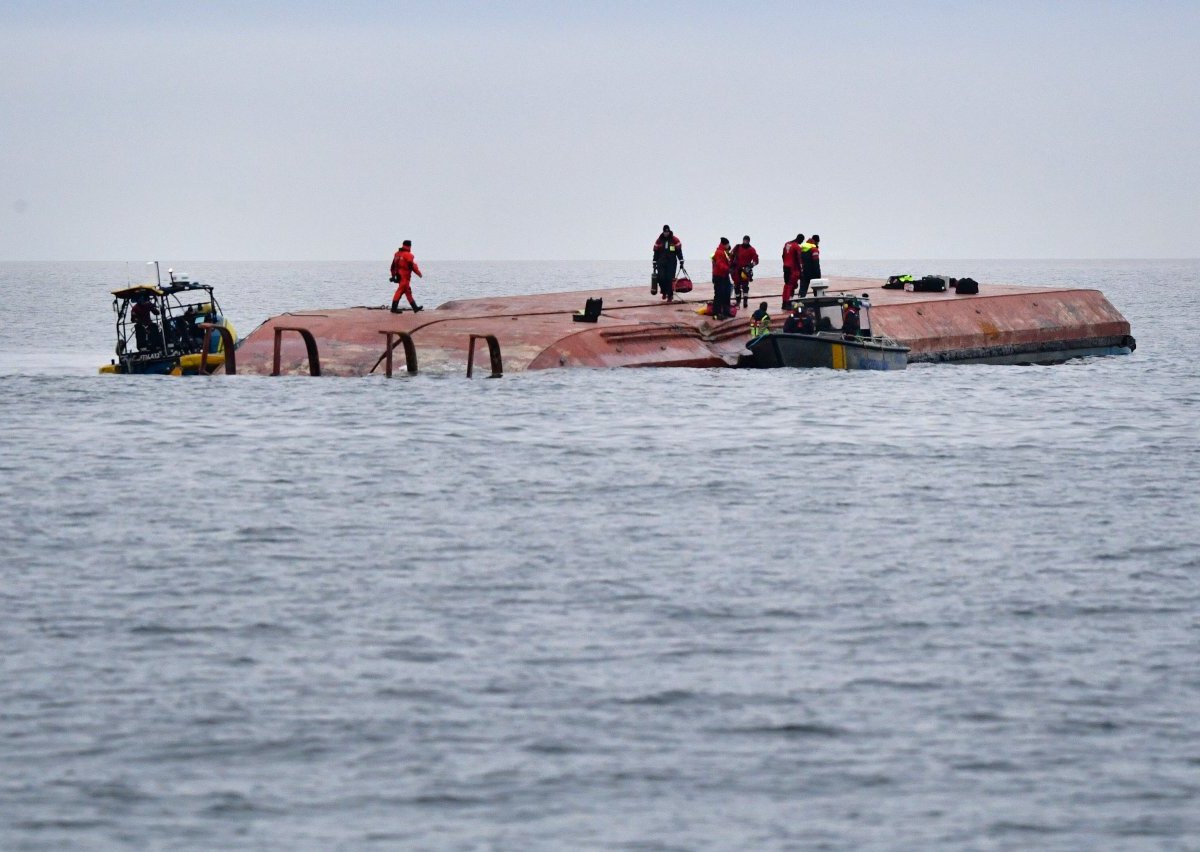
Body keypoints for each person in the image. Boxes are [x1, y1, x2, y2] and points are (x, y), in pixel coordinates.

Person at [389, 240, 424, 313]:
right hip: (404, 277)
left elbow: (392, 266)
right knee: (400, 291)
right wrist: (419, 274)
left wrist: (393, 276)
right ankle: (394, 308)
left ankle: (415, 308)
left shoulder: (397, 254)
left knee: (407, 291)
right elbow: (412, 266)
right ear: (410, 246)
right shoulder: (408, 255)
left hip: (399, 276)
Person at [652, 225, 684, 303]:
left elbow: (679, 251)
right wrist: (654, 261)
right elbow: (656, 252)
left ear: (669, 231)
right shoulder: (659, 240)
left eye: (667, 232)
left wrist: (681, 260)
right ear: (663, 232)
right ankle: (663, 291)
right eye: (665, 232)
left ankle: (670, 295)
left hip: (671, 263)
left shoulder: (675, 240)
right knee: (661, 277)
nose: (666, 233)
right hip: (661, 262)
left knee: (670, 279)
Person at [730, 235, 759, 309]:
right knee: (736, 286)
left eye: (747, 240)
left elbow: (756, 260)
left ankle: (745, 301)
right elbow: (731, 256)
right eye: (744, 240)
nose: (745, 242)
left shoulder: (752, 250)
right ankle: (738, 301)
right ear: (742, 240)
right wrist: (731, 266)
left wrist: (750, 266)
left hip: (745, 271)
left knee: (745, 287)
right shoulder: (737, 247)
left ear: (749, 241)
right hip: (737, 270)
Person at [711, 237, 733, 320]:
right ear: (725, 244)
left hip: (725, 275)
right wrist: (728, 269)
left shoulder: (724, 252)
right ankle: (716, 313)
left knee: (726, 294)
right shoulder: (719, 252)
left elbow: (726, 262)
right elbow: (720, 264)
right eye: (728, 244)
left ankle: (726, 312)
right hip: (719, 276)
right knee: (719, 295)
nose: (729, 246)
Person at [781, 233, 804, 309]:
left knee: (786, 285)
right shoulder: (797, 247)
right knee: (791, 286)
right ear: (800, 239)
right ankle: (788, 303)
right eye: (802, 241)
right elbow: (799, 260)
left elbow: (783, 255)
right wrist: (801, 271)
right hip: (792, 269)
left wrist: (785, 263)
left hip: (786, 267)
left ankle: (784, 303)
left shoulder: (787, 244)